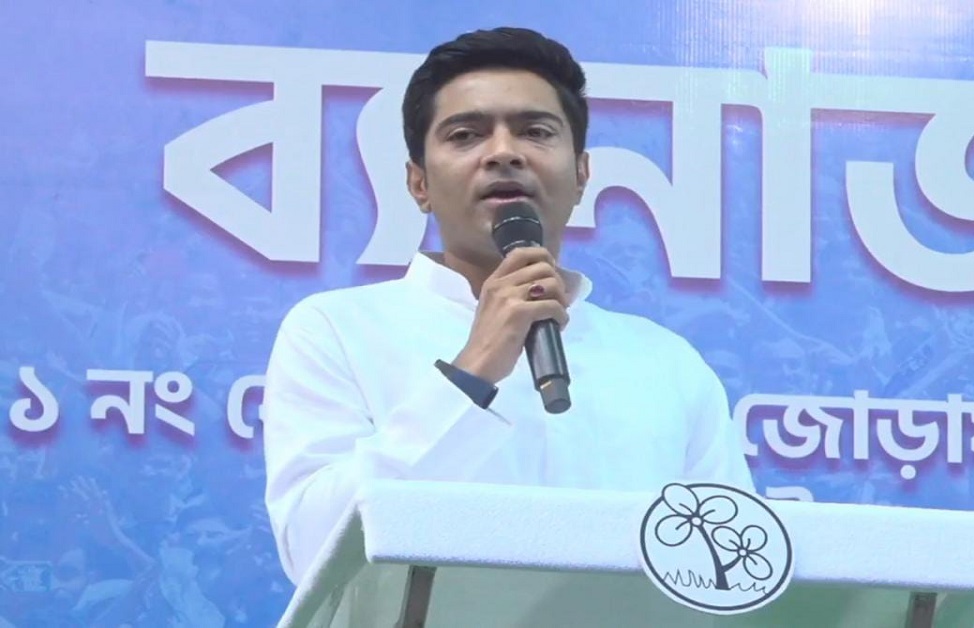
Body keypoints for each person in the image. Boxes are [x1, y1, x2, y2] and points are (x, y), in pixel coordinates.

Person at [260, 26, 754, 587]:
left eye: (535, 131)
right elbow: (313, 549)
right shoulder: (335, 330)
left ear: (581, 175)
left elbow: (734, 574)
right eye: (466, 135)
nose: (503, 153)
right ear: (419, 183)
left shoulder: (665, 362)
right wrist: (471, 373)